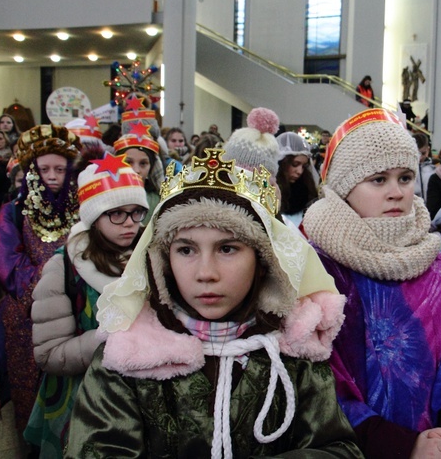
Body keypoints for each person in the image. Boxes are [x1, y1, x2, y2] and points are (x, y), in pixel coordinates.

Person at [65, 148, 362, 457]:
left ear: (263, 260)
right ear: (162, 261)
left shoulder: (295, 350)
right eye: (186, 250)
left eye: (227, 249)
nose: (206, 273)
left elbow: (340, 450)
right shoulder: (128, 356)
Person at [303, 108, 441, 459]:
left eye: (405, 178)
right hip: (356, 448)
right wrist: (402, 447)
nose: (396, 192)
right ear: (345, 188)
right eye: (378, 179)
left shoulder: (434, 264)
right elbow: (322, 387)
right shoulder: (317, 267)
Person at [24, 151, 148, 456]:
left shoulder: (155, 253)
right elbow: (49, 353)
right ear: (94, 216)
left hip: (145, 399)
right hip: (83, 400)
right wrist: (108, 339)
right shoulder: (64, 267)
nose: (130, 223)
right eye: (116, 213)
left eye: (137, 212)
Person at [0, 125, 81, 438]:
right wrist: (52, 284)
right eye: (44, 169)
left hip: (74, 312)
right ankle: (31, 443)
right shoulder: (13, 212)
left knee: (70, 386)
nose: (52, 176)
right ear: (32, 171)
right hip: (25, 318)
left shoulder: (82, 210)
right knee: (29, 387)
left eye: (60, 169)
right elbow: (7, 264)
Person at [113, 128, 163, 225]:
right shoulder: (107, 197)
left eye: (143, 163)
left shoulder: (158, 202)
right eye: (128, 162)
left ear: (151, 168)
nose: (136, 170)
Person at [276, 132, 318, 226]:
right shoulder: (269, 189)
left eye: (304, 166)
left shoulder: (306, 191)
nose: (299, 171)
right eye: (295, 164)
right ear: (282, 162)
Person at [413, 132, 435, 202]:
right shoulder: (407, 169)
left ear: (428, 150)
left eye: (423, 153)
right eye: (417, 153)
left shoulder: (434, 168)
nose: (420, 157)